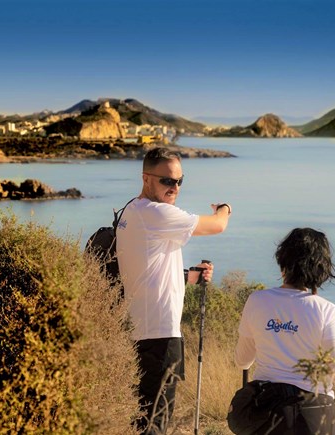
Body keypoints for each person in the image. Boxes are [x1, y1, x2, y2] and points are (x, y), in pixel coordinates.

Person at [116, 147, 232, 434]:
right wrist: (225, 208)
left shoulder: (131, 209)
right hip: (159, 335)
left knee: (143, 418)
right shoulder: (156, 213)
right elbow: (218, 225)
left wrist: (191, 278)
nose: (175, 188)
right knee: (155, 423)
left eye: (180, 181)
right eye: (167, 181)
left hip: (140, 330)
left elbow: (149, 265)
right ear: (146, 178)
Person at [233, 228, 335, 434]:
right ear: (321, 269)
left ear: (283, 261)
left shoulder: (257, 300)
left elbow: (242, 360)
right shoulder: (327, 310)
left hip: (266, 412)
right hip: (312, 415)